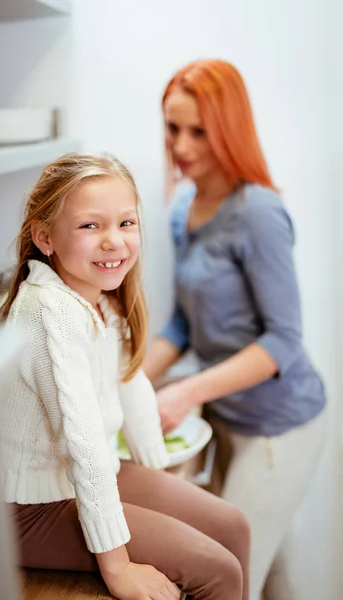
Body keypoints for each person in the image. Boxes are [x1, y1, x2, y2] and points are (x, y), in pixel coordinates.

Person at [0, 153, 250, 600]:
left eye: (126, 223)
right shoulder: (48, 311)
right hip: (27, 507)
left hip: (79, 479)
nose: (114, 241)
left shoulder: (96, 296)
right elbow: (85, 442)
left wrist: (157, 480)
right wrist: (117, 568)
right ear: (44, 236)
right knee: (217, 571)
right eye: (90, 226)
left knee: (234, 526)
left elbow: (131, 386)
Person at [143, 60, 327, 600]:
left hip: (278, 429)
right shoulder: (184, 208)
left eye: (198, 130)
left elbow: (284, 340)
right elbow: (183, 321)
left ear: (229, 128)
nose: (181, 145)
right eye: (172, 128)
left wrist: (186, 390)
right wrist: (127, 380)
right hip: (227, 418)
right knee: (272, 575)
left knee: (230, 579)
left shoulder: (259, 213)